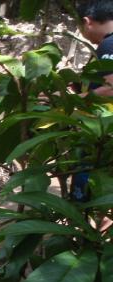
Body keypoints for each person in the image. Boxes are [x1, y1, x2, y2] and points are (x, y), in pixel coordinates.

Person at [71, 2, 113, 203]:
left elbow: (111, 89)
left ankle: (83, 230)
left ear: (87, 22)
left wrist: (71, 100)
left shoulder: (109, 44)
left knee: (88, 192)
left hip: (103, 132)